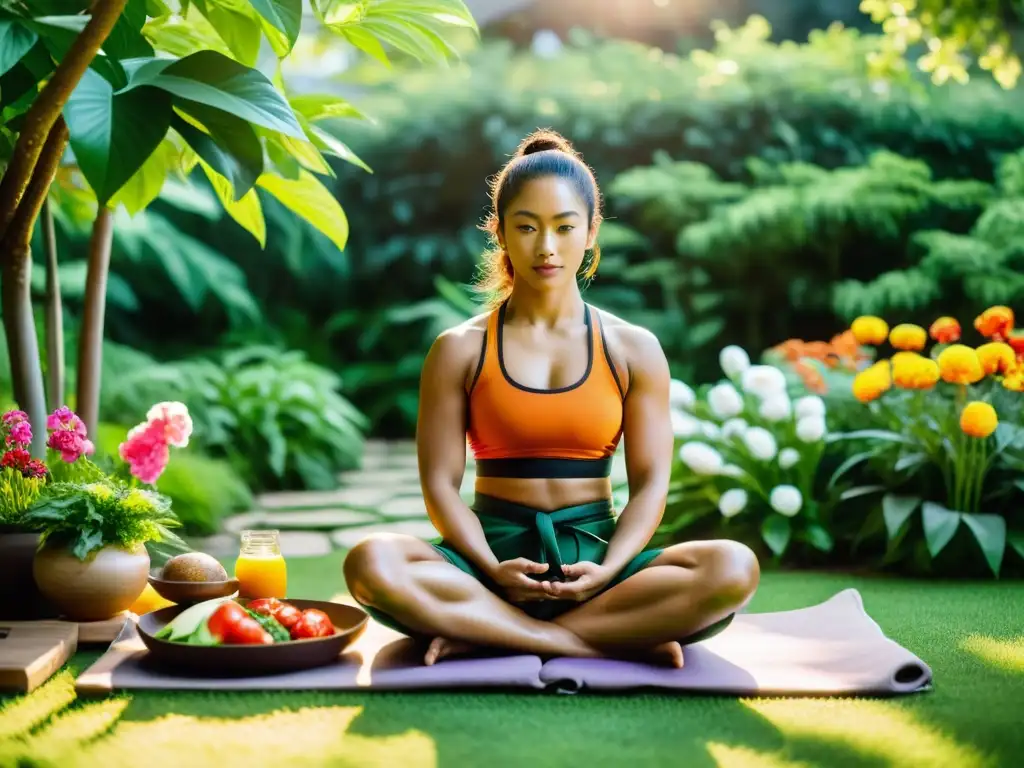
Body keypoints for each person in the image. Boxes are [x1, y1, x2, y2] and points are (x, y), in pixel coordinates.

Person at [343, 129, 760, 667]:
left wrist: (609, 572)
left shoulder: (634, 348)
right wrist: (492, 570)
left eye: (565, 227)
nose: (546, 247)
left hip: (600, 564)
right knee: (371, 562)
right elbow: (440, 488)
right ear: (499, 232)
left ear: (591, 232)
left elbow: (652, 483)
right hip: (488, 561)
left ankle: (490, 634)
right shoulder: (458, 350)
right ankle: (603, 637)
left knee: (732, 568)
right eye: (526, 227)